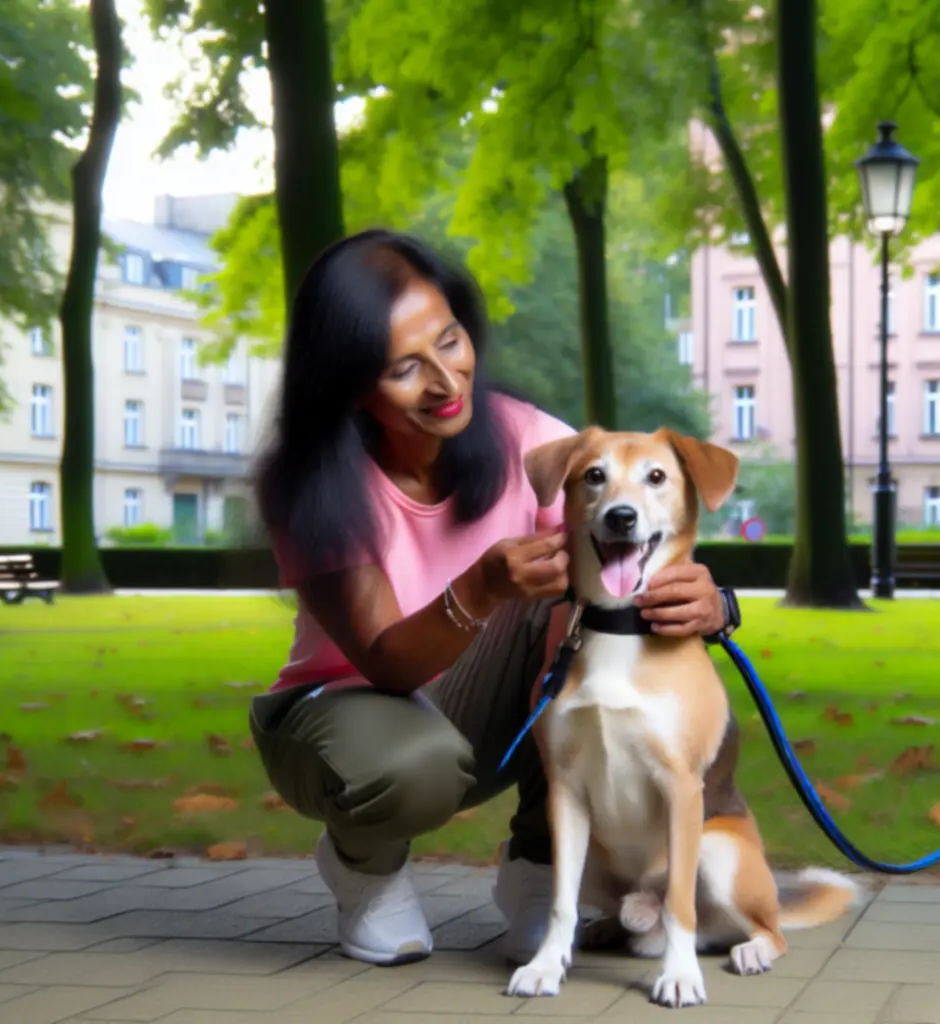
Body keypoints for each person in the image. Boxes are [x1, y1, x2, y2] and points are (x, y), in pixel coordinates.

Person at [249, 229, 742, 968]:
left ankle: (541, 866)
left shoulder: (522, 436)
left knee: (632, 668)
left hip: (476, 705)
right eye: (404, 369)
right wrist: (481, 584)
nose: (446, 383)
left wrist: (715, 603)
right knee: (409, 762)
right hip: (347, 719)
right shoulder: (314, 484)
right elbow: (386, 665)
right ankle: (364, 866)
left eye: (450, 341)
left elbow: (630, 526)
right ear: (352, 384)